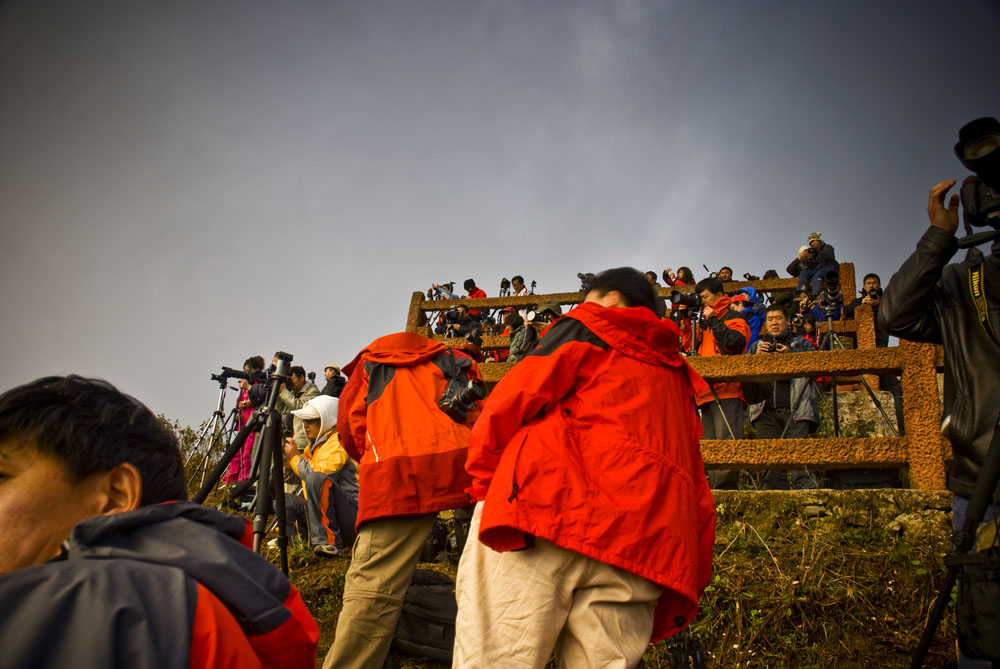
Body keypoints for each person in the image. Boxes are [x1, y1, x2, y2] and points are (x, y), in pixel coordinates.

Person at [454, 267, 715, 667]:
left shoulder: (589, 325)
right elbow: (696, 487)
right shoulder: (680, 378)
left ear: (609, 298)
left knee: (499, 658)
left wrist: (487, 485)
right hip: (641, 547)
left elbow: (510, 402)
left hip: (543, 512)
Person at [0, 375, 319, 668]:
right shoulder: (214, 606)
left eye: (3, 477)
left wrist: (292, 456)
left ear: (115, 494)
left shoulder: (98, 602)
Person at [880, 176, 1000, 668]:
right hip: (979, 482)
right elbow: (895, 316)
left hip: (975, 480)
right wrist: (939, 238)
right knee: (982, 617)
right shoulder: (960, 283)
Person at [324, 332, 484, 669]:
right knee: (496, 568)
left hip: (394, 475)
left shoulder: (368, 366)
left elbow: (349, 428)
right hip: (460, 465)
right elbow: (480, 415)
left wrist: (375, 458)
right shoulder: (454, 359)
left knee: (374, 584)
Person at [749, 305, 822, 490]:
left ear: (788, 321)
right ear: (765, 323)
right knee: (771, 459)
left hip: (796, 409)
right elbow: (745, 372)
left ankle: (808, 498)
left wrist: (791, 355)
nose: (774, 322)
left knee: (799, 456)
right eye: (770, 319)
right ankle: (774, 505)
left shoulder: (802, 344)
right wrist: (755, 358)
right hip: (765, 410)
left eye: (779, 318)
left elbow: (818, 367)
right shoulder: (757, 346)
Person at [283, 395, 358, 558]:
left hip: (352, 512)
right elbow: (296, 477)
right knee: (286, 501)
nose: (305, 425)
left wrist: (295, 458)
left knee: (316, 479)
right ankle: (303, 550)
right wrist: (287, 461)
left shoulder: (339, 441)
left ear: (327, 420)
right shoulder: (315, 448)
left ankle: (328, 544)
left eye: (311, 420)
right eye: (304, 421)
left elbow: (317, 475)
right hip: (328, 515)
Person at [694, 277, 751, 489]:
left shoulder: (732, 316)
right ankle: (710, 493)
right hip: (705, 391)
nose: (704, 303)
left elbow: (735, 344)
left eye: (706, 297)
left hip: (727, 389)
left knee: (727, 444)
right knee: (708, 446)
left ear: (719, 295)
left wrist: (714, 321)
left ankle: (725, 493)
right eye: (701, 299)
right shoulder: (704, 322)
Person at [225, 354, 264, 484]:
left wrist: (250, 403)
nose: (247, 373)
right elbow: (239, 400)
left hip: (253, 420)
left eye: (249, 370)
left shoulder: (260, 384)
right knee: (236, 452)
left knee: (248, 453)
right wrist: (239, 410)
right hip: (243, 420)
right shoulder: (244, 384)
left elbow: (262, 400)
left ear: (256, 369)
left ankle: (244, 482)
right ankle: (231, 481)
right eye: (245, 371)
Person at [277, 364, 320, 453]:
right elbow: (281, 410)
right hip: (288, 440)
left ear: (302, 378)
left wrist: (284, 392)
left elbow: (300, 407)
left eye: (292, 379)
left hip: (302, 444)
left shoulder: (312, 391)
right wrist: (278, 393)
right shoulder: (291, 393)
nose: (290, 382)